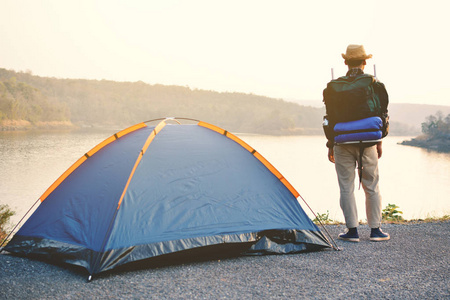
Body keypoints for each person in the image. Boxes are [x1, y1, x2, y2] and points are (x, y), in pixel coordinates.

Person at [323, 44, 390, 242]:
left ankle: (352, 231)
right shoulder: (374, 83)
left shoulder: (334, 86)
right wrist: (378, 141)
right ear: (364, 61)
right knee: (372, 185)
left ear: (345, 62)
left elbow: (330, 118)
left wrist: (330, 145)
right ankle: (375, 230)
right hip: (368, 141)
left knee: (346, 186)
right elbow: (382, 113)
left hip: (342, 142)